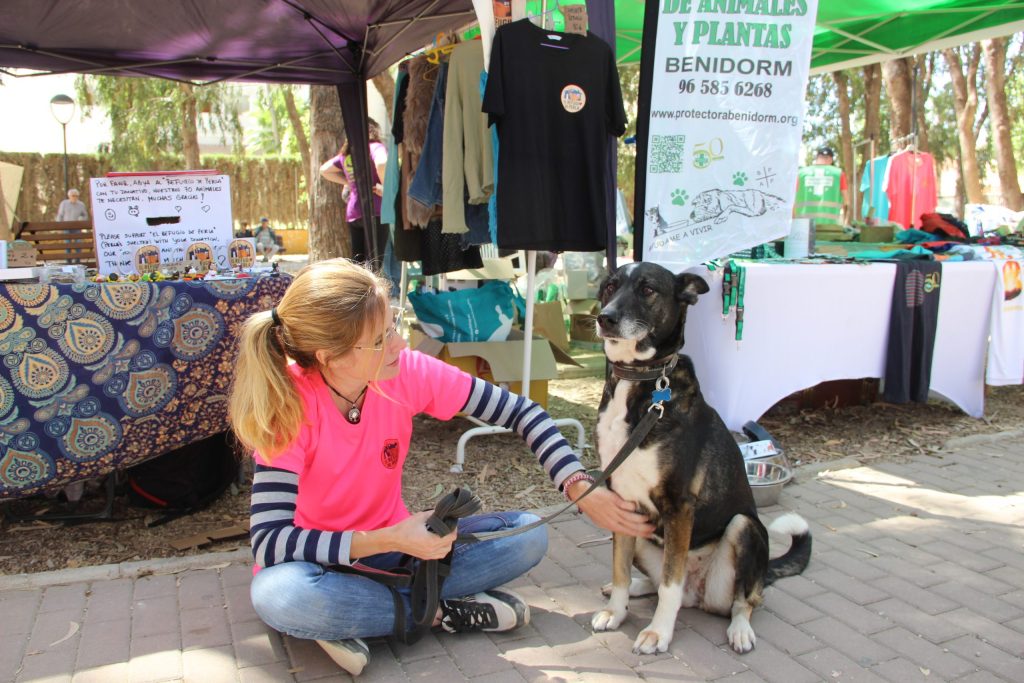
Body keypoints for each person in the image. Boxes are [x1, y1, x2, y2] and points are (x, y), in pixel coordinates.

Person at [228, 259, 653, 677]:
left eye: (392, 326)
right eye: (378, 340)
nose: (399, 344)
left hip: (404, 553)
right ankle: (433, 612)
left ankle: (364, 616)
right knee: (280, 596)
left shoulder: (406, 372)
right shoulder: (288, 405)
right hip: (318, 563)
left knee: (530, 535)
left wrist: (577, 484)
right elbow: (270, 542)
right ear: (330, 357)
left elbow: (524, 413)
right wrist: (386, 538)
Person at [319, 120, 402, 292]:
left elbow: (325, 170)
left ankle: (357, 300)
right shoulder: (375, 147)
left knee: (357, 264)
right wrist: (387, 190)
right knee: (374, 264)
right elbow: (382, 163)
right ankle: (370, 304)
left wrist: (350, 182)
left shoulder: (348, 153)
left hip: (354, 212)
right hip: (375, 210)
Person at [794, 145, 848, 229]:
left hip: (803, 227)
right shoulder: (838, 174)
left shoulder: (801, 173)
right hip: (830, 228)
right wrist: (845, 223)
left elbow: (792, 200)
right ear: (830, 159)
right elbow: (846, 202)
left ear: (817, 158)